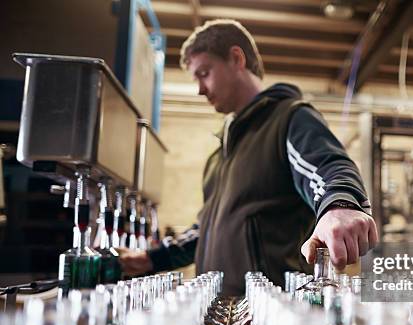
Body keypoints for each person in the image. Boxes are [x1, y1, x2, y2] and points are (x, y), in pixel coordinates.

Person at [120, 19, 378, 295]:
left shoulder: (289, 118)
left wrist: (339, 205)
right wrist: (152, 259)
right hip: (222, 316)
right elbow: (205, 229)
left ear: (236, 58)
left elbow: (328, 166)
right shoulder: (218, 157)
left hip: (272, 316)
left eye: (204, 73)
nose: (199, 89)